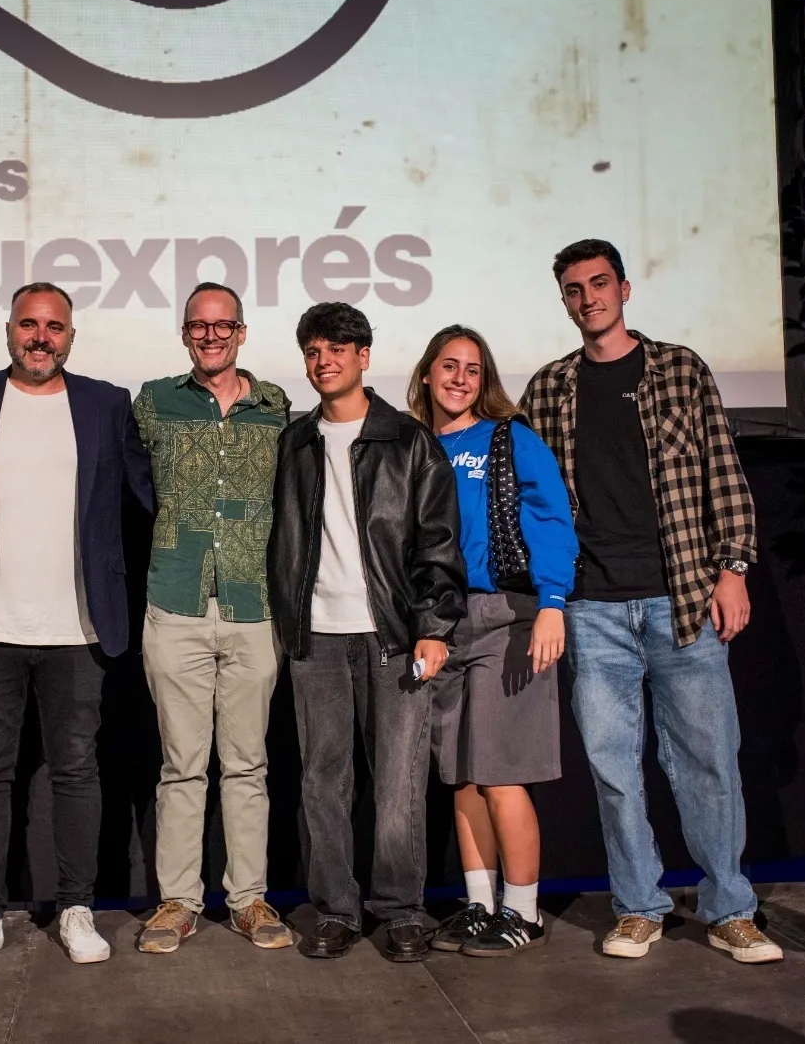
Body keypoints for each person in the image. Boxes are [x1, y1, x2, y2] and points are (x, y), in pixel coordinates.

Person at [519, 239, 782, 964]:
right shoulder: (549, 387)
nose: (588, 298)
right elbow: (536, 502)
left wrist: (733, 567)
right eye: (574, 289)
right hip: (592, 608)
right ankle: (638, 905)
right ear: (565, 300)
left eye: (599, 283)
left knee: (708, 762)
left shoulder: (680, 369)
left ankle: (730, 908)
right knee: (613, 770)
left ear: (625, 289)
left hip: (682, 599)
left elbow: (723, 470)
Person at [0, 282, 154, 970]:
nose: (40, 337)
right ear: (9, 330)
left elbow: (150, 495)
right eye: (29, 324)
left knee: (76, 770)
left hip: (79, 628)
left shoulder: (106, 404)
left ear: (71, 337)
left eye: (54, 327)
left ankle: (77, 907)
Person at [267, 301, 467, 962]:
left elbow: (438, 542)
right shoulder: (296, 442)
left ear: (363, 357)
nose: (323, 361)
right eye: (313, 351)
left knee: (398, 781)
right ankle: (335, 909)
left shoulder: (408, 441)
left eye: (336, 349)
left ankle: (402, 909)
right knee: (322, 780)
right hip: (316, 638)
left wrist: (433, 625)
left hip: (393, 636)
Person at [132, 283, 293, 955]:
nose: (211, 335)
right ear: (185, 333)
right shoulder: (154, 402)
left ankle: (249, 899)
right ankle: (178, 901)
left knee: (248, 764)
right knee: (181, 766)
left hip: (253, 606)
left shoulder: (276, 406)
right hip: (176, 602)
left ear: (242, 332)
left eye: (223, 325)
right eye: (199, 326)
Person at [408, 326, 578, 957]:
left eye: (472, 369)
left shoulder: (511, 439)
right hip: (441, 624)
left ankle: (523, 912)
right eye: (449, 366)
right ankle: (479, 906)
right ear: (427, 373)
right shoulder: (413, 445)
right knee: (463, 777)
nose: (459, 378)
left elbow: (552, 519)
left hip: (508, 616)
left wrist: (553, 604)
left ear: (485, 381)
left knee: (502, 775)